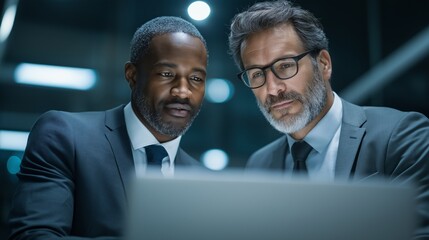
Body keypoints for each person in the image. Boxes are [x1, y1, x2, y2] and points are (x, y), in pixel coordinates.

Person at [228, 0, 429, 238]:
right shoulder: (259, 166)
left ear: (323, 64)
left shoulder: (402, 136)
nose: (272, 89)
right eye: (257, 74)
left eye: (285, 66)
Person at [8, 16, 208, 239]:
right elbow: (33, 236)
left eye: (196, 78)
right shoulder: (64, 135)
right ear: (132, 76)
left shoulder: (203, 181)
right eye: (166, 74)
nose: (182, 91)